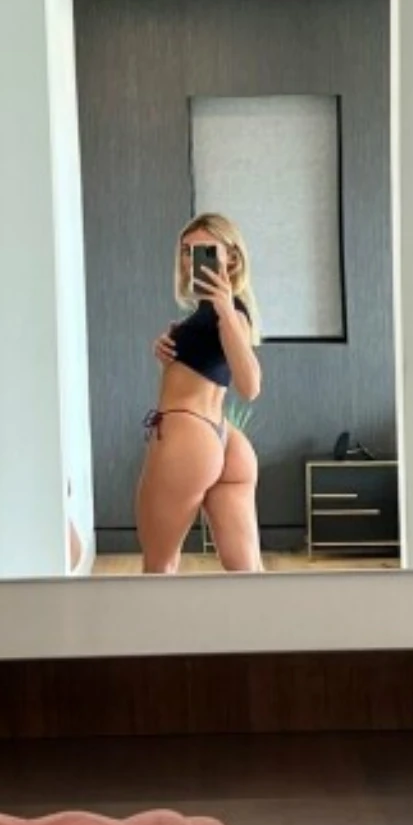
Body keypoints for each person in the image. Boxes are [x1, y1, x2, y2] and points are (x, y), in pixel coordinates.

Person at [136, 212, 263, 574]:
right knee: (248, 574)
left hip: (187, 437)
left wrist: (224, 309)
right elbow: (205, 366)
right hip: (222, 440)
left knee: (158, 566)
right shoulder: (211, 314)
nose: (191, 259)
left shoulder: (229, 311)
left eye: (204, 250)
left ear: (231, 257)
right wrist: (171, 347)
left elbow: (250, 385)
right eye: (186, 251)